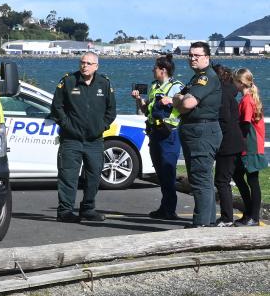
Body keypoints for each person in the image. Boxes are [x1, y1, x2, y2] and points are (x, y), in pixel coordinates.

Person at [50, 52, 117, 223]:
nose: (84, 66)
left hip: (94, 141)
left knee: (94, 175)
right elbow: (57, 108)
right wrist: (68, 126)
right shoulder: (68, 81)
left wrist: (102, 126)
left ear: (96, 66)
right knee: (68, 176)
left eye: (88, 63)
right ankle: (65, 211)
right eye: (82, 62)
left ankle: (88, 209)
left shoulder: (104, 83)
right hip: (71, 140)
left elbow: (111, 110)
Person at [173, 41, 222, 228]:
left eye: (197, 55)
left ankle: (201, 225)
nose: (192, 58)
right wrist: (179, 98)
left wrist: (179, 100)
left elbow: (186, 103)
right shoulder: (196, 78)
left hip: (201, 132)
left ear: (207, 58)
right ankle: (207, 222)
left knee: (200, 178)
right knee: (203, 179)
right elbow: (179, 96)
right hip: (197, 131)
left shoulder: (206, 78)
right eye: (190, 55)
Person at [131, 54, 184, 220]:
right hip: (155, 132)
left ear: (163, 70)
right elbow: (146, 109)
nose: (152, 70)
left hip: (170, 134)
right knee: (161, 173)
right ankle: (164, 206)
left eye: (155, 68)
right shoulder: (154, 86)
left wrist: (173, 100)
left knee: (168, 172)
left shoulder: (176, 87)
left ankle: (170, 209)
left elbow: (184, 106)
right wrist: (138, 99)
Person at [232, 68, 267, 227]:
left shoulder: (247, 100)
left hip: (250, 145)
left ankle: (254, 216)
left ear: (240, 83)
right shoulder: (250, 98)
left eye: (234, 81)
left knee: (253, 181)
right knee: (239, 176)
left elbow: (245, 124)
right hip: (252, 145)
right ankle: (249, 213)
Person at [213, 65, 245, 227]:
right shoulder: (229, 93)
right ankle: (248, 213)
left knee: (222, 180)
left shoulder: (222, 95)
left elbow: (224, 120)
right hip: (235, 141)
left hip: (228, 143)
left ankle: (227, 217)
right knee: (237, 179)